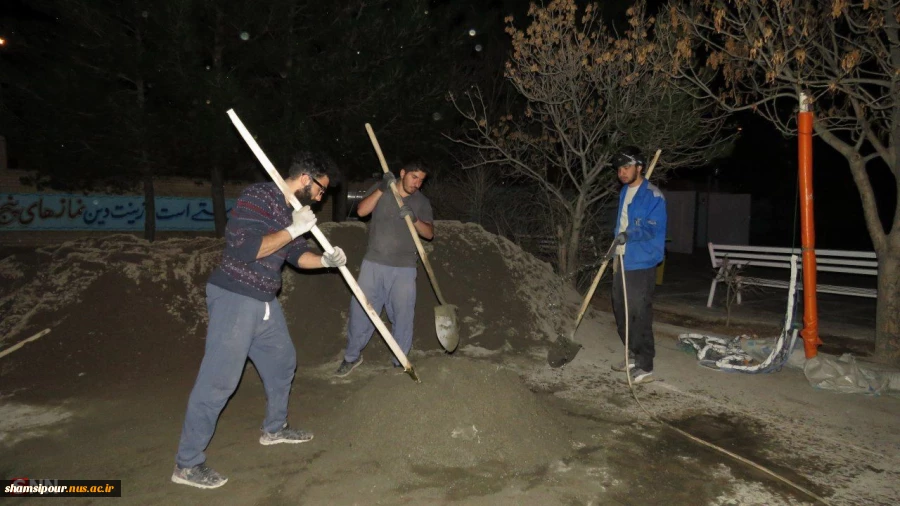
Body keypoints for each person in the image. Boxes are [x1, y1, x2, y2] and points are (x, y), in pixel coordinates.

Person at [171, 151, 346, 489]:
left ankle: (274, 429)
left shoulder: (291, 211)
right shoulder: (259, 197)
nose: (322, 198)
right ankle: (187, 464)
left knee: (283, 363)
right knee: (219, 382)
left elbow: (296, 256)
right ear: (306, 179)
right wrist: (292, 229)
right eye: (322, 189)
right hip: (236, 296)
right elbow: (246, 249)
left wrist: (325, 260)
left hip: (265, 300)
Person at [334, 161, 434, 377]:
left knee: (403, 315)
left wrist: (414, 219)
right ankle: (352, 357)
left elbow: (429, 233)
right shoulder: (382, 190)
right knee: (360, 311)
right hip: (374, 263)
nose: (417, 183)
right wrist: (381, 188)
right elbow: (361, 211)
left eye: (421, 180)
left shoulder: (421, 201)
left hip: (405, 268)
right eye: (414, 177)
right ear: (402, 173)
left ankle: (400, 361)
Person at [609, 146, 667, 385]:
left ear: (639, 167)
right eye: (619, 169)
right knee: (621, 311)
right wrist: (615, 245)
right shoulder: (625, 191)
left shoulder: (654, 196)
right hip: (621, 258)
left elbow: (652, 227)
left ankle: (645, 366)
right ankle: (632, 354)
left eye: (627, 167)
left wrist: (629, 234)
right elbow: (621, 221)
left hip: (641, 262)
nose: (622, 172)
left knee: (639, 314)